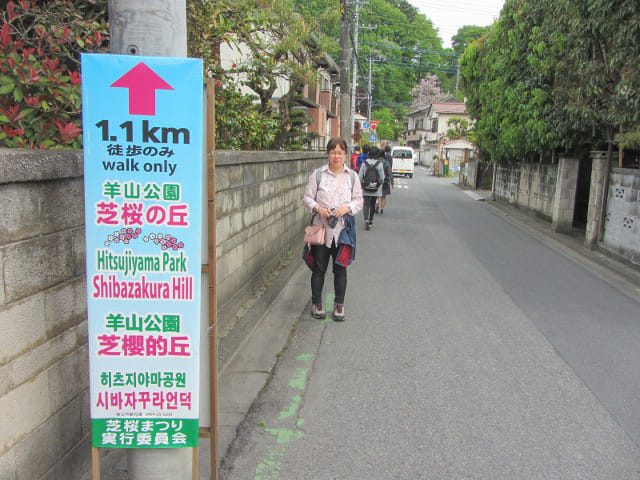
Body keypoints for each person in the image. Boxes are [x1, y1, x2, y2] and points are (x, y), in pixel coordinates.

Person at [303, 137, 363, 321]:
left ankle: (339, 305)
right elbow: (307, 197)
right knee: (318, 268)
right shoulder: (318, 174)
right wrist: (318, 208)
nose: (336, 156)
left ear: (345, 154)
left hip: (343, 231)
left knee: (340, 268)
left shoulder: (352, 176)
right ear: (328, 153)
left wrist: (347, 208)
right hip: (321, 230)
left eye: (340, 152)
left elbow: (359, 200)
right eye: (333, 152)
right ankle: (317, 304)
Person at [358, 146, 385, 230]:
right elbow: (382, 177)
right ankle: (370, 220)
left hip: (366, 187)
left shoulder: (364, 163)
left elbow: (360, 176)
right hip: (376, 188)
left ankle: (365, 219)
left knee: (366, 204)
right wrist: (379, 183)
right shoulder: (379, 164)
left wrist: (362, 184)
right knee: (373, 204)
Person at [379, 145, 394, 214]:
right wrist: (392, 182)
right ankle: (382, 209)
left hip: (377, 181)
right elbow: (390, 172)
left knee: (376, 196)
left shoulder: (376, 162)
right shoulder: (386, 162)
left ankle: (376, 205)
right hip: (385, 181)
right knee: (383, 196)